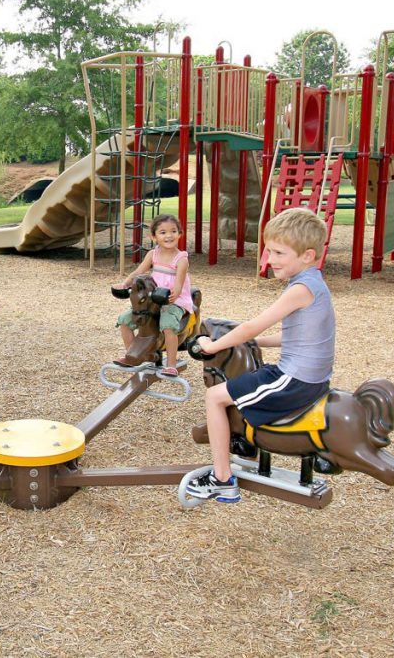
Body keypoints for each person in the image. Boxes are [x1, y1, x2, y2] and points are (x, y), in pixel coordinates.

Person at [186, 207, 335, 504]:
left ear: (307, 255)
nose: (270, 260)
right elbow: (294, 337)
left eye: (279, 253)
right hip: (313, 378)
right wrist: (255, 344)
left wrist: (214, 346)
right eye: (269, 251)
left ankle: (222, 478)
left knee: (215, 396)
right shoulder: (315, 285)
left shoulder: (299, 289)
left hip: (295, 380)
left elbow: (253, 324)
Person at [112, 214, 194, 375]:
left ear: (180, 234)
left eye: (173, 231)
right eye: (163, 232)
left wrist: (172, 296)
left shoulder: (181, 259)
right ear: (154, 236)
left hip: (173, 301)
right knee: (124, 321)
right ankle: (133, 355)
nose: (169, 235)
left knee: (168, 325)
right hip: (153, 299)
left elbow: (178, 286)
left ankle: (171, 365)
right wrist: (125, 284)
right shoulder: (153, 254)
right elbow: (138, 272)